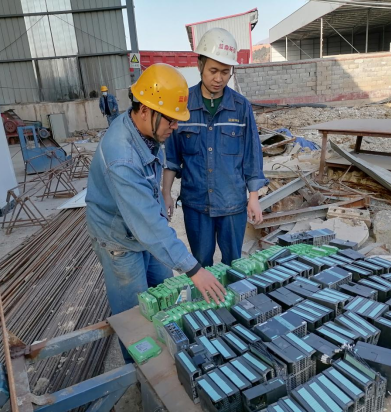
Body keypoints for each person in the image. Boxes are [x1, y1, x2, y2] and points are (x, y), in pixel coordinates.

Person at [86, 64, 226, 360]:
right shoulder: (121, 157)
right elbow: (147, 224)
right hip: (119, 239)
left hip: (142, 228)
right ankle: (140, 371)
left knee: (165, 292)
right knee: (134, 317)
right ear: (145, 110)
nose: (175, 127)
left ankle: (170, 353)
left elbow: (150, 196)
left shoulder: (146, 131)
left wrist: (163, 193)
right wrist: (194, 270)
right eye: (171, 120)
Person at [163, 28, 267, 268]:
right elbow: (171, 156)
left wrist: (253, 198)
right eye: (213, 70)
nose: (219, 78)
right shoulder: (184, 105)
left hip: (232, 204)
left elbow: (252, 156)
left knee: (234, 264)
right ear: (199, 65)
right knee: (201, 265)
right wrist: (166, 192)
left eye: (225, 71)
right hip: (196, 205)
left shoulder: (240, 107)